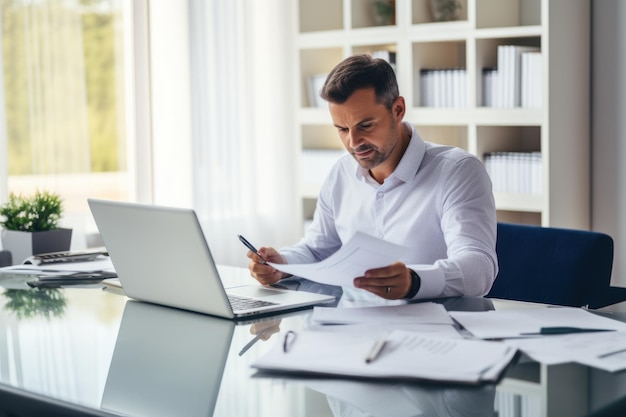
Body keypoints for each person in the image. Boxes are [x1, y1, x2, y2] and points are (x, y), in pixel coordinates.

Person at [246, 54, 498, 300]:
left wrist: (414, 281)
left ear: (398, 109)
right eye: (342, 129)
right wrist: (282, 264)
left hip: (430, 330)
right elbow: (317, 249)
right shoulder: (341, 173)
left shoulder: (457, 171)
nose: (353, 142)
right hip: (350, 326)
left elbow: (479, 269)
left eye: (365, 126)